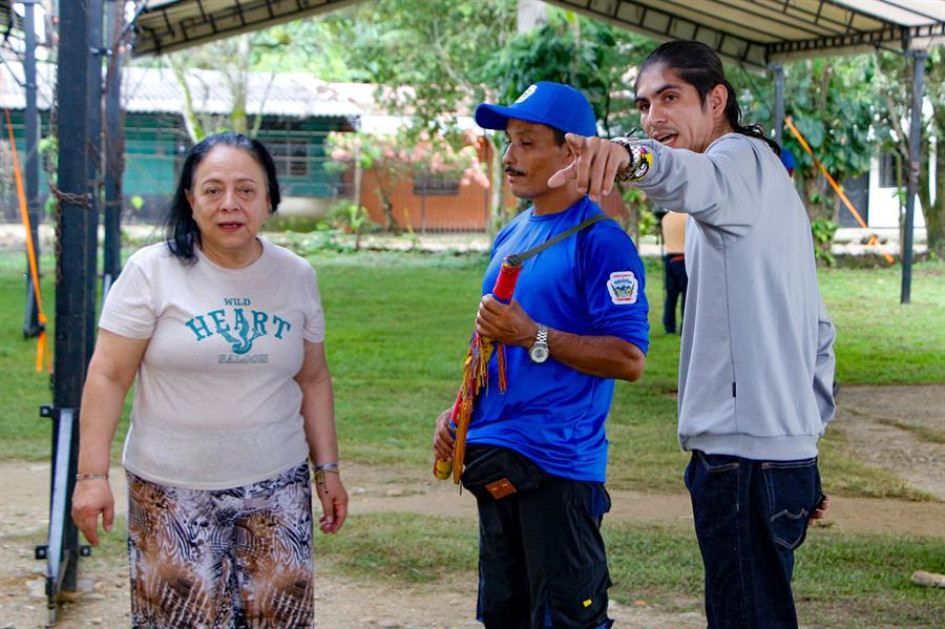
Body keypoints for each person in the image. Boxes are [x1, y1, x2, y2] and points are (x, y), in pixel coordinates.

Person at [548, 41, 836, 628]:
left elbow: (684, 176)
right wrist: (802, 443)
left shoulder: (735, 163)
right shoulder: (764, 179)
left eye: (670, 98)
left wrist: (627, 156)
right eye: (644, 103)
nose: (654, 117)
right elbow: (819, 333)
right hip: (776, 455)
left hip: (744, 462)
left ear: (717, 100)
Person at [71, 131, 348, 628]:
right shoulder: (151, 272)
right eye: (213, 189)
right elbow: (109, 375)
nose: (229, 204)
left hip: (277, 487)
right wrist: (92, 478)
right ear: (190, 200)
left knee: (278, 620)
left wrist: (327, 469)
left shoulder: (296, 275)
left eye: (246, 190)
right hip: (169, 491)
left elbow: (313, 378)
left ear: (269, 200)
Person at [432, 82, 649, 628]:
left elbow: (629, 358)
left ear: (572, 152)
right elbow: (489, 339)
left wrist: (535, 335)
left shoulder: (601, 242)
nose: (510, 157)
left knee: (565, 620)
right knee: (504, 616)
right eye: (509, 143)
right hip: (496, 454)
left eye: (527, 143)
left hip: (559, 467)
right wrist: (460, 415)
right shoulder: (514, 233)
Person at [659, 210, 688, 334]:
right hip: (683, 258)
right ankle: (685, 326)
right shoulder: (687, 218)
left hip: (669, 259)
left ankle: (669, 325)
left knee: (671, 295)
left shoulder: (665, 218)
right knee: (687, 296)